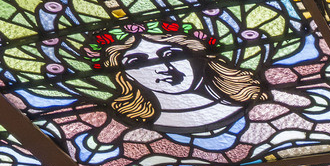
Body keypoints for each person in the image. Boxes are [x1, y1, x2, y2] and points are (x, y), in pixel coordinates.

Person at [89, 23, 271, 136]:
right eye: (137, 61)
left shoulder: (266, 107)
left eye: (171, 54)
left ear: (198, 56)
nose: (163, 68)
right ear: (125, 75)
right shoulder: (133, 134)